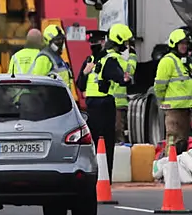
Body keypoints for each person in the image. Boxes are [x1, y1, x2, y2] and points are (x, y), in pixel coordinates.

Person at [78, 23, 132, 178]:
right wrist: (85, 72)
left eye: (97, 42)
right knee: (94, 144)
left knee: (106, 144)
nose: (94, 45)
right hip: (93, 107)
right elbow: (80, 85)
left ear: (103, 43)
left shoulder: (108, 60)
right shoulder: (89, 61)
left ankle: (105, 177)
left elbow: (120, 78)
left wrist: (125, 79)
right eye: (92, 43)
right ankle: (95, 177)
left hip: (104, 104)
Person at [154, 28, 192, 155]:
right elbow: (159, 86)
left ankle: (178, 170)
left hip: (185, 109)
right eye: (181, 44)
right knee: (173, 141)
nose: (184, 47)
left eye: (185, 44)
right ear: (174, 44)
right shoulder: (168, 61)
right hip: (174, 110)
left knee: (183, 142)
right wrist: (163, 100)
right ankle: (170, 168)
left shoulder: (185, 62)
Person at [111, 36, 138, 143]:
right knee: (118, 133)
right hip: (118, 103)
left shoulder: (108, 57)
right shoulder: (117, 59)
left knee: (116, 132)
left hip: (113, 103)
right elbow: (129, 70)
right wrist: (132, 54)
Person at [31, 25, 74, 90]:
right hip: (50, 98)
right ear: (48, 41)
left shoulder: (56, 56)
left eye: (62, 39)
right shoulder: (44, 58)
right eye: (57, 40)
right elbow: (37, 82)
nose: (61, 43)